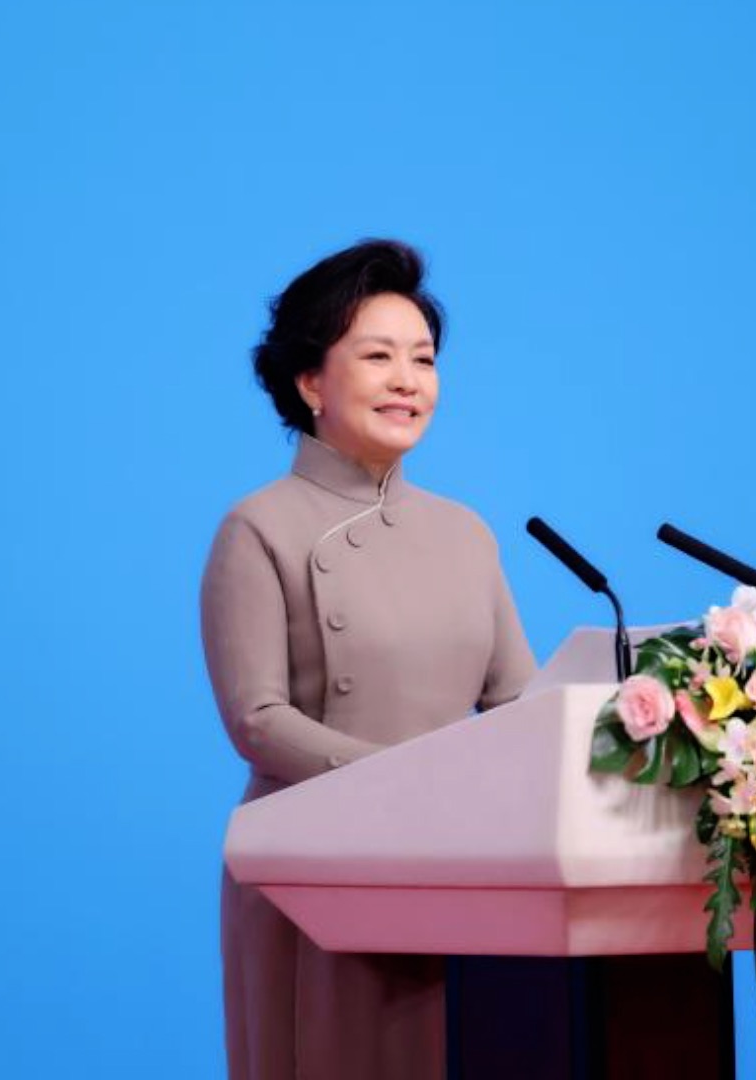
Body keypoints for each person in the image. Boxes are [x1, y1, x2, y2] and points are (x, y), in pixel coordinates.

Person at [200, 239, 538, 1080]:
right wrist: (405, 785)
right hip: (314, 869)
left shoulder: (465, 532)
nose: (407, 380)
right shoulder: (259, 527)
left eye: (422, 359)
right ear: (310, 382)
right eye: (378, 356)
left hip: (460, 869)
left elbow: (519, 706)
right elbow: (258, 721)